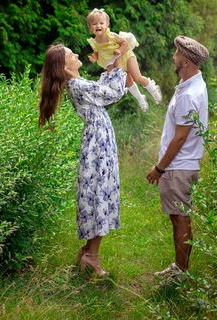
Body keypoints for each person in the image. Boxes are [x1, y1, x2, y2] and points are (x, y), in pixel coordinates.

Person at [39, 43, 127, 276]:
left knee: (98, 193)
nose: (76, 55)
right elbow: (114, 93)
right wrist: (119, 60)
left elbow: (102, 89)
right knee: (99, 195)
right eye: (70, 55)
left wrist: (111, 64)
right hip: (98, 146)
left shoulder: (79, 84)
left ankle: (87, 251)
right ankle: (91, 257)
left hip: (98, 143)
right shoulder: (77, 85)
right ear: (63, 66)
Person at [146, 36, 209, 284]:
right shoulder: (193, 85)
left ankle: (180, 275)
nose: (174, 57)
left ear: (186, 61)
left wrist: (160, 168)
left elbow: (180, 138)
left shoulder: (187, 94)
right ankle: (180, 267)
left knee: (179, 219)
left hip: (178, 167)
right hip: (185, 165)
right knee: (182, 217)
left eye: (176, 54)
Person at [86, 8, 162, 112]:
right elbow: (98, 51)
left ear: (107, 24)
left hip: (125, 56)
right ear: (90, 27)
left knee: (137, 77)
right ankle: (140, 98)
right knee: (129, 82)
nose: (98, 26)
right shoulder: (94, 41)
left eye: (101, 23)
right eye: (94, 24)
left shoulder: (111, 36)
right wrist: (94, 56)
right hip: (115, 62)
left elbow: (124, 43)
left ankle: (153, 89)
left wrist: (119, 50)